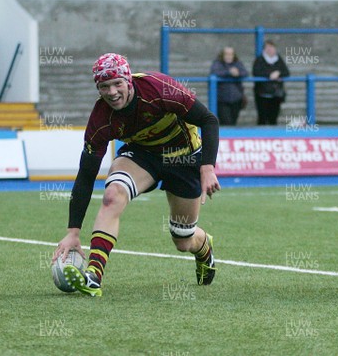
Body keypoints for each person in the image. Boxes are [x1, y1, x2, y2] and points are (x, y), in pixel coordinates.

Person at [52, 53, 221, 297]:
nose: (111, 92)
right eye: (104, 86)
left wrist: (207, 168)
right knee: (112, 195)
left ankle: (204, 247)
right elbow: (86, 176)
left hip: (184, 156)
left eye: (117, 83)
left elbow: (209, 120)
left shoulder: (159, 88)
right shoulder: (100, 119)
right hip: (143, 156)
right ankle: (93, 276)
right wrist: (73, 232)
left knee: (183, 240)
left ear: (129, 80)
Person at [252, 40, 290, 125]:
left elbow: (286, 72)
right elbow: (256, 72)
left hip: (276, 94)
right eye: (268, 48)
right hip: (262, 94)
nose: (270, 50)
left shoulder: (279, 59)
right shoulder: (259, 60)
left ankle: (273, 137)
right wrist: (269, 75)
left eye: (272, 48)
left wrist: (278, 73)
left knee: (273, 118)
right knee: (262, 118)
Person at [209, 46, 248, 125]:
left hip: (236, 99)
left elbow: (245, 73)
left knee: (233, 122)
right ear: (222, 55)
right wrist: (229, 72)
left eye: (231, 54)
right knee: (226, 122)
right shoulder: (217, 63)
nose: (228, 56)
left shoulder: (238, 63)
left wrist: (238, 73)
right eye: (226, 54)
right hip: (222, 99)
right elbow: (214, 72)